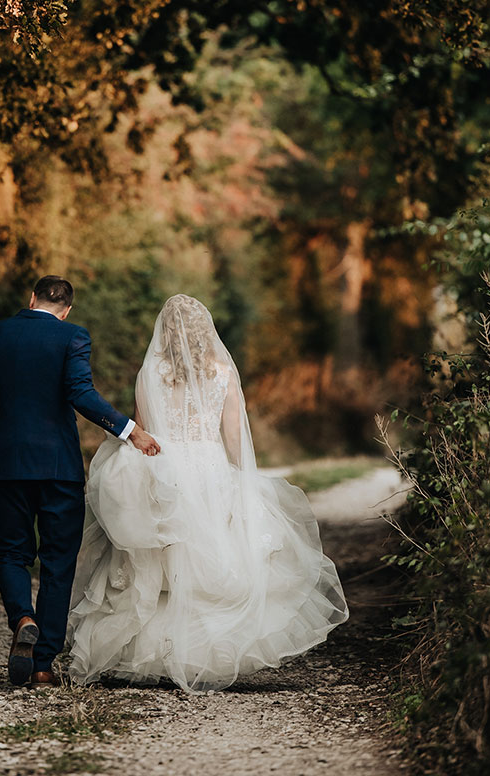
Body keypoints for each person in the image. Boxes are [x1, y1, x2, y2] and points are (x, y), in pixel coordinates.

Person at [67, 293, 348, 692]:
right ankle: (206, 655)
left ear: (164, 330)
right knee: (212, 560)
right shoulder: (222, 372)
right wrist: (239, 475)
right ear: (205, 331)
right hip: (209, 468)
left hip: (164, 471)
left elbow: (143, 429)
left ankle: (157, 656)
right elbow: (232, 434)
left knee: (160, 562)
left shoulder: (152, 372)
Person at [0, 275, 161, 687]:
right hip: (59, 465)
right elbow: (80, 393)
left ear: (31, 298)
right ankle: (43, 665)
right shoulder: (72, 336)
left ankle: (21, 617)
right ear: (66, 310)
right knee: (58, 563)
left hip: (7, 461)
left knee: (10, 551)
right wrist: (130, 430)